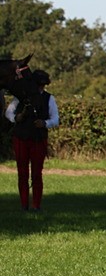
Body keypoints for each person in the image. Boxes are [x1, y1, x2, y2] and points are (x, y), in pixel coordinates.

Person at [5, 69, 58, 212]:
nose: (41, 88)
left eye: (43, 85)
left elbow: (55, 119)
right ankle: (23, 204)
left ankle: (36, 204)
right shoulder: (20, 97)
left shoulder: (49, 98)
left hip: (38, 139)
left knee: (36, 173)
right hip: (21, 137)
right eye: (38, 85)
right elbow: (9, 112)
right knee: (22, 173)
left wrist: (45, 123)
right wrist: (16, 118)